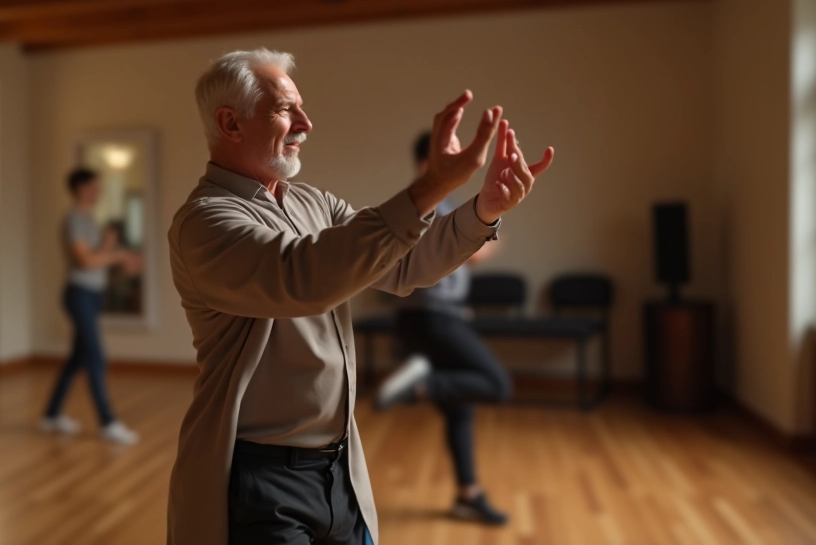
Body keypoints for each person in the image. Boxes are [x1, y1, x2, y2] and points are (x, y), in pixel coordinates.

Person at [167, 48, 554, 545]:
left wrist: (482, 211)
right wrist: (433, 183)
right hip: (262, 481)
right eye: (286, 109)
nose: (306, 122)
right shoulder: (204, 222)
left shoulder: (314, 201)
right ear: (231, 123)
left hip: (339, 471)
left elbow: (405, 264)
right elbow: (303, 278)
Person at [374, 130, 513, 525]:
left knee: (460, 410)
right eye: (451, 156)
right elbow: (468, 252)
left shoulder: (438, 201)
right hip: (431, 318)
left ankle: (468, 494)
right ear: (426, 165)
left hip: (430, 318)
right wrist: (488, 242)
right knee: (497, 384)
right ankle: (415, 385)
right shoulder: (426, 202)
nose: (465, 164)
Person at [40, 168, 142, 445]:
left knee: (77, 359)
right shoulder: (74, 219)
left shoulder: (87, 219)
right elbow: (86, 262)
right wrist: (118, 254)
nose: (99, 192)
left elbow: (97, 256)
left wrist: (110, 246)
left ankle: (51, 415)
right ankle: (108, 422)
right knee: (96, 357)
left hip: (91, 295)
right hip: (79, 294)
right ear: (81, 189)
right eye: (95, 187)